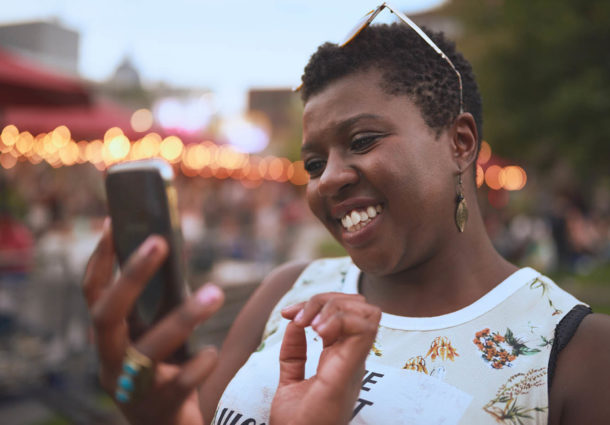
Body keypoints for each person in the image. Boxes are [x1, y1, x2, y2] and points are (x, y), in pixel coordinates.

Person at [83, 3, 610, 424]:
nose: (328, 178)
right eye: (314, 162)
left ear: (460, 142)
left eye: (362, 140)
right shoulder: (289, 294)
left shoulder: (577, 354)